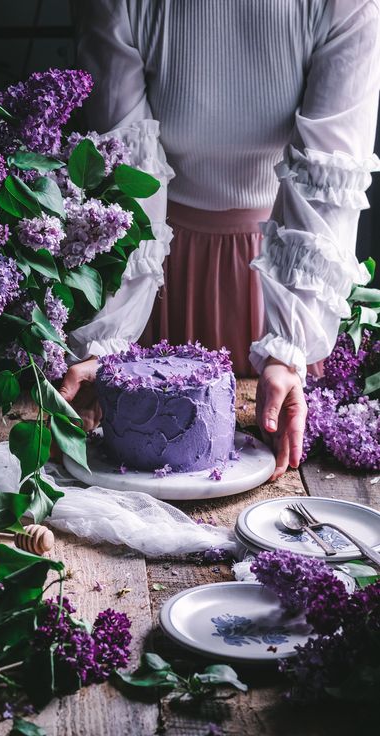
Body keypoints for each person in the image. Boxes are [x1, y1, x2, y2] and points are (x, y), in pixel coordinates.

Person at [61, 0, 380, 479]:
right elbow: (122, 170)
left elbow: (325, 178)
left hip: (282, 277)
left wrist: (287, 352)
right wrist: (105, 341)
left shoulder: (345, 6)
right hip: (153, 275)